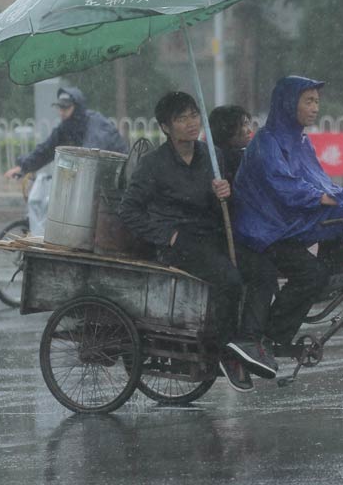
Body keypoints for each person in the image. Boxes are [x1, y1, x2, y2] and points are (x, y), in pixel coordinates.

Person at [118, 92, 279, 392]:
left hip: (214, 237)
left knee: (264, 272)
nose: (191, 123)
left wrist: (225, 194)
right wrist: (167, 234)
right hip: (180, 243)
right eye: (182, 119)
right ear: (166, 127)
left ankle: (246, 342)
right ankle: (224, 351)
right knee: (229, 280)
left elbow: (229, 204)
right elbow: (128, 210)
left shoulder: (211, 156)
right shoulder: (155, 165)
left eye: (194, 115)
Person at [231, 76, 343, 349]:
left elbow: (317, 178)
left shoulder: (301, 142)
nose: (315, 107)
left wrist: (340, 197)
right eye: (308, 101)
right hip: (262, 232)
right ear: (288, 103)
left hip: (285, 224)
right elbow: (284, 185)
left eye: (317, 101)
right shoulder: (266, 142)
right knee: (310, 275)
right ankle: (272, 337)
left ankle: (331, 278)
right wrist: (321, 197)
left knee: (340, 215)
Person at [4, 85, 128, 179]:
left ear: (77, 107)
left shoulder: (95, 124)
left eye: (66, 107)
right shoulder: (66, 127)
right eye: (60, 107)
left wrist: (73, 172)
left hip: (118, 176)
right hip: (99, 178)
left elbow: (91, 155)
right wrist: (23, 167)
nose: (61, 112)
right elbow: (46, 150)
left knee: (99, 210)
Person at [208, 105, 252, 184]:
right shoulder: (237, 160)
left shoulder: (210, 155)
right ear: (228, 129)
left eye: (248, 124)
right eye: (244, 124)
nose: (249, 130)